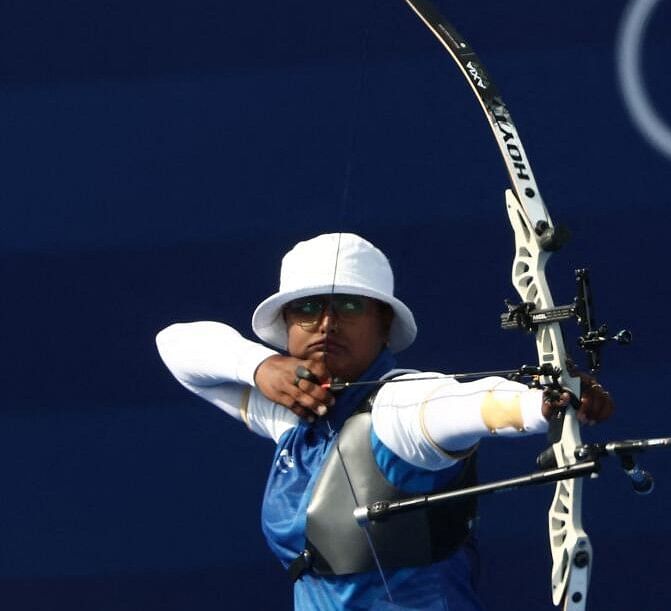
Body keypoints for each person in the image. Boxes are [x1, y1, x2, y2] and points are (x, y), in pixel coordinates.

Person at [156, 233, 613, 610]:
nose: (327, 324)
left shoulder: (401, 409)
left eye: (350, 307)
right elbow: (175, 345)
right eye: (308, 309)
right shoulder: (292, 415)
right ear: (288, 327)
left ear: (384, 324)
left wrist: (546, 402)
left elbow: (472, 404)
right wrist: (258, 366)